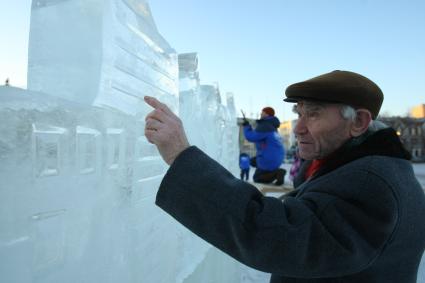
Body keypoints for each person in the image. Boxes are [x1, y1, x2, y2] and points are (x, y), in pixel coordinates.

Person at [144, 70, 425, 282]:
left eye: (313, 115)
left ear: (359, 122)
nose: (299, 128)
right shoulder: (370, 168)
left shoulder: (370, 182)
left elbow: (278, 234)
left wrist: (181, 157)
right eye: (299, 113)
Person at [242, 106, 286, 185]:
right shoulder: (272, 126)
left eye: (262, 112)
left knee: (257, 178)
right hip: (277, 156)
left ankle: (277, 173)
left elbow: (251, 137)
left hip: (269, 158)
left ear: (267, 114)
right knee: (252, 161)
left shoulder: (265, 125)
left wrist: (246, 126)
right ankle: (273, 172)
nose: (261, 114)